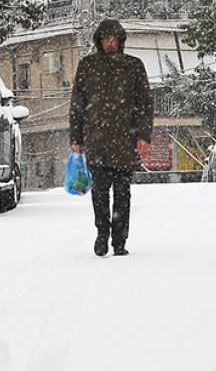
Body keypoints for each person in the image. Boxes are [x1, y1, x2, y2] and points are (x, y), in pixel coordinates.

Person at [69, 18, 153, 257]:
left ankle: (120, 240)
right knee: (99, 192)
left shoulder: (133, 66)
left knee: (123, 192)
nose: (110, 43)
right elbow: (77, 104)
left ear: (121, 40)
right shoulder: (88, 66)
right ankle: (102, 233)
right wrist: (76, 137)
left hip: (127, 140)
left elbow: (145, 103)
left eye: (114, 39)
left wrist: (144, 136)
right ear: (99, 40)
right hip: (96, 140)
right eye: (106, 39)